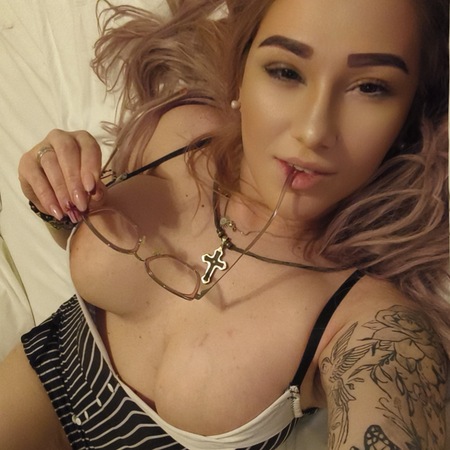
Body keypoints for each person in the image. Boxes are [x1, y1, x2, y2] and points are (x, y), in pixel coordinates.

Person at [1, 0, 449, 448]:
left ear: (411, 111)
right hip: (42, 374)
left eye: (370, 87)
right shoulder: (182, 134)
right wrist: (56, 193)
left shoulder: (369, 319)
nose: (313, 131)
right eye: (286, 71)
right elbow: (83, 235)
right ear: (241, 69)